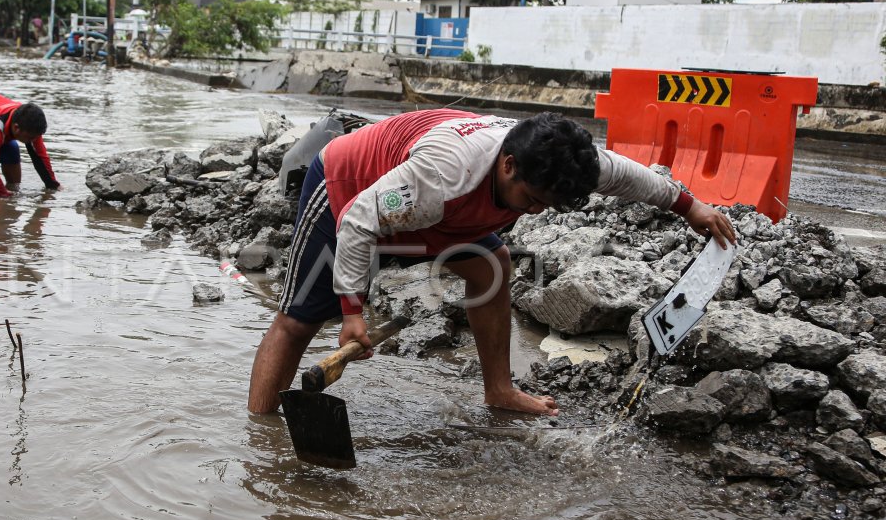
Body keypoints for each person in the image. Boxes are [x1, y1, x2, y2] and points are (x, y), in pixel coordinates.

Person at [247, 109, 738, 417]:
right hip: (350, 188)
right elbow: (359, 221)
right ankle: (259, 428)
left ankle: (499, 390)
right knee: (301, 319)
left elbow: (631, 177)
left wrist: (689, 207)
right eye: (530, 198)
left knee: (493, 265)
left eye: (548, 204)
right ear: (508, 166)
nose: (535, 211)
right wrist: (352, 312)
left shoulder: (561, 160)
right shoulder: (446, 172)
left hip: (430, 210)